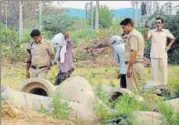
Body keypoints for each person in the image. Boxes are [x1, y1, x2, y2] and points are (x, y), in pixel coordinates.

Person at [144, 17, 175, 86]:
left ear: (162, 24)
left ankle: (164, 87)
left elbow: (173, 38)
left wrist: (169, 46)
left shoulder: (166, 31)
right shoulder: (152, 31)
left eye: (159, 23)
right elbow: (146, 38)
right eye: (156, 23)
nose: (157, 24)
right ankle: (156, 87)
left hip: (163, 55)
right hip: (154, 55)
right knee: (155, 72)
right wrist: (147, 30)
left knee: (164, 71)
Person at [120, 18, 145, 92]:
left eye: (123, 27)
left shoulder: (133, 36)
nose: (123, 30)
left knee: (132, 91)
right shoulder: (137, 33)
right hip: (136, 64)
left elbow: (134, 52)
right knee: (138, 89)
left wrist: (129, 68)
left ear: (129, 25)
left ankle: (135, 103)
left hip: (134, 65)